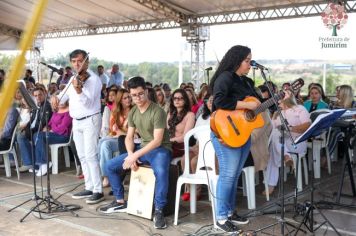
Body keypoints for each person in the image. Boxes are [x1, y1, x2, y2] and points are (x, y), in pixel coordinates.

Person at [99, 76, 172, 230]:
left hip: (161, 150)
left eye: (140, 94)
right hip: (143, 149)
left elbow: (157, 141)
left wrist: (134, 156)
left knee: (161, 172)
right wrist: (131, 154)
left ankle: (159, 210)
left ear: (146, 91)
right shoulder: (133, 112)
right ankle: (119, 201)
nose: (137, 98)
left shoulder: (157, 111)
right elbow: (129, 137)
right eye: (133, 95)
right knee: (110, 166)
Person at [210, 45, 260, 233]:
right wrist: (246, 104)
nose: (249, 64)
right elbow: (220, 101)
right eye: (247, 60)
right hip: (225, 131)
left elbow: (256, 105)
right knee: (228, 175)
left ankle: (230, 212)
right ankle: (221, 218)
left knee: (234, 175)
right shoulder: (225, 77)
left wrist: (276, 99)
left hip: (243, 132)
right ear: (237, 60)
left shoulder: (246, 82)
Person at [51, 49, 104, 204]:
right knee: (81, 156)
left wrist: (79, 89)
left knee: (91, 155)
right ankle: (89, 186)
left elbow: (88, 103)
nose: (77, 64)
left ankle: (98, 190)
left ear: (87, 62)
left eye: (80, 61)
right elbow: (65, 95)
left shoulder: (94, 80)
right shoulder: (74, 77)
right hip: (77, 120)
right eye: (73, 61)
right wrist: (56, 97)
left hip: (90, 119)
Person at [265, 93, 311, 195]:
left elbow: (307, 126)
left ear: (287, 99)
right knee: (275, 135)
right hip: (281, 143)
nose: (277, 102)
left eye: (279, 100)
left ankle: (270, 184)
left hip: (297, 141)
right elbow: (270, 130)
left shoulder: (299, 108)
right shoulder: (277, 113)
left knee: (274, 146)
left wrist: (289, 129)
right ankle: (286, 156)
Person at [98, 88, 132, 187]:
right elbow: (112, 129)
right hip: (116, 137)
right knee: (102, 143)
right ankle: (106, 176)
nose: (128, 100)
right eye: (125, 98)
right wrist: (120, 131)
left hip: (128, 139)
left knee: (104, 143)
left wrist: (120, 131)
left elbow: (133, 132)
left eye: (129, 97)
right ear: (120, 100)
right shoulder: (116, 111)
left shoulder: (134, 111)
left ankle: (106, 175)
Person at [18, 87, 52, 172]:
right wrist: (26, 128)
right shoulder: (36, 106)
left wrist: (30, 130)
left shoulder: (46, 106)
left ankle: (34, 163)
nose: (38, 97)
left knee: (24, 136)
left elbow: (42, 122)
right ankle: (32, 164)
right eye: (36, 95)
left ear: (44, 93)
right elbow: (32, 120)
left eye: (40, 94)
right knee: (19, 136)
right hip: (33, 129)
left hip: (39, 130)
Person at [34, 100, 72, 176]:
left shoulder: (69, 112)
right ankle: (42, 163)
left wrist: (52, 129)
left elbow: (62, 128)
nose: (60, 103)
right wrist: (47, 127)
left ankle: (44, 163)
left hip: (63, 136)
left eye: (62, 101)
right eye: (59, 101)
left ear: (66, 101)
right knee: (37, 135)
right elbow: (50, 123)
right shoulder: (56, 111)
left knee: (39, 136)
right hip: (54, 134)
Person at [167, 89, 195, 159]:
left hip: (180, 146)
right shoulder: (170, 114)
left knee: (162, 153)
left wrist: (168, 141)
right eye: (175, 98)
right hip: (168, 143)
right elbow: (166, 131)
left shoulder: (190, 115)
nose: (177, 100)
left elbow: (184, 137)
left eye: (180, 98)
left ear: (185, 100)